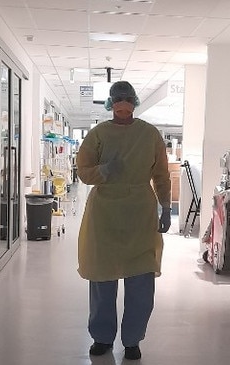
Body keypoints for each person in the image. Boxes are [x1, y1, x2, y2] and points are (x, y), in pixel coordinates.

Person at [76, 80, 171, 360]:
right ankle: (102, 337)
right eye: (117, 98)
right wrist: (104, 170)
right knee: (102, 278)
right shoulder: (98, 134)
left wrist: (165, 206)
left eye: (127, 98)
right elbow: (83, 171)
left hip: (140, 212)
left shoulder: (150, 134)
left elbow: (162, 174)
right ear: (110, 102)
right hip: (104, 211)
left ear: (134, 101)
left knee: (141, 280)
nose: (122, 103)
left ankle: (132, 340)